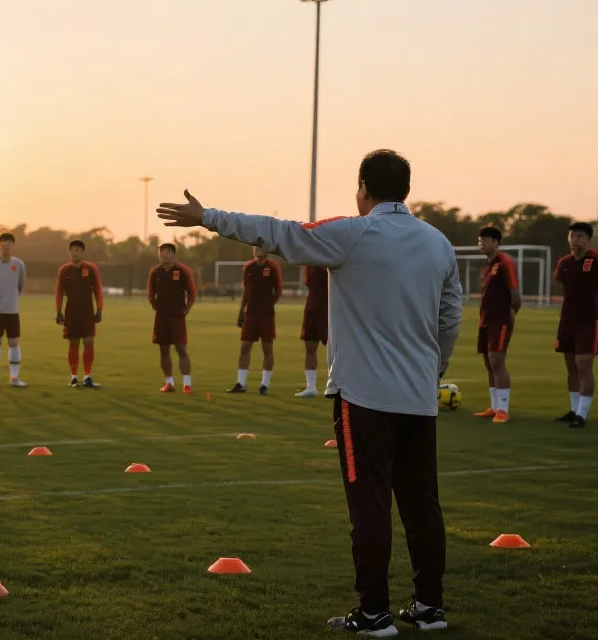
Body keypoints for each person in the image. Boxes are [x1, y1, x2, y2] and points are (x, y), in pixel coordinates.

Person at [158, 149, 462, 635]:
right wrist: (433, 368)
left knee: (369, 506)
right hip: (418, 398)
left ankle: (374, 613)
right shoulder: (438, 243)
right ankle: (430, 606)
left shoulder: (355, 232)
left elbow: (279, 232)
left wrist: (208, 218)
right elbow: (451, 316)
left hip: (363, 398)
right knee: (422, 504)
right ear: (405, 190)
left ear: (363, 188)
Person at [553, 222, 598, 429]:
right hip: (567, 320)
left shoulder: (595, 260)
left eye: (580, 236)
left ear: (588, 240)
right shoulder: (564, 263)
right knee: (570, 365)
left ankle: (582, 413)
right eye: (572, 236)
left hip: (590, 320)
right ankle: (574, 408)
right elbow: (565, 291)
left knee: (583, 364)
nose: (576, 240)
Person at [473, 226, 520, 423]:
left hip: (499, 320)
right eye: (480, 240)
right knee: (488, 363)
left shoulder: (504, 262)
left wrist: (511, 314)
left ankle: (503, 409)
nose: (481, 243)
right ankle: (494, 407)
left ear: (495, 242)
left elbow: (515, 294)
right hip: (486, 319)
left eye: (485, 240)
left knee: (497, 361)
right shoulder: (487, 266)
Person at [228, 246, 281, 394]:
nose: (257, 250)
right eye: (255, 248)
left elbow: (278, 290)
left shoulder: (272, 267)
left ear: (267, 251)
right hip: (250, 314)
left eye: (260, 248)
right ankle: (241, 383)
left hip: (266, 315)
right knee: (245, 347)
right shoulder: (248, 267)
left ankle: (264, 384)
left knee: (267, 348)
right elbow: (246, 290)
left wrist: (269, 304)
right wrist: (241, 310)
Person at [147, 243, 196, 393]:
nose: (164, 255)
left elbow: (192, 294)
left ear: (173, 254)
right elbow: (150, 294)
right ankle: (169, 383)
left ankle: (187, 384)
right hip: (161, 316)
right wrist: (157, 308)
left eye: (167, 252)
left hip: (177, 316)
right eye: (162, 252)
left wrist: (186, 310)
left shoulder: (182, 270)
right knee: (163, 350)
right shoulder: (155, 272)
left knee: (181, 348)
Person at [55, 240, 104, 388]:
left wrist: (99, 309)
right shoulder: (64, 270)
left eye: (78, 250)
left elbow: (98, 290)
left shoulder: (90, 269)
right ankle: (74, 377)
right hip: (71, 311)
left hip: (87, 311)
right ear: (69, 252)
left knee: (89, 341)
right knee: (74, 343)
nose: (75, 253)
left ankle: (88, 376)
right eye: (73, 250)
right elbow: (59, 292)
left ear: (82, 252)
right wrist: (58, 311)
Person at [0, 232, 28, 388]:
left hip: (12, 310)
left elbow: (20, 285)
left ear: (13, 245)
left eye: (9, 243)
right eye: (4, 242)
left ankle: (14, 377)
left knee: (14, 342)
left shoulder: (19, 264)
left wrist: (11, 298)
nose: (6, 245)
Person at [297, 265, 329, 397]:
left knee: (334, 349)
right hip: (311, 308)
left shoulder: (328, 260)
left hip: (328, 309)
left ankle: (337, 385)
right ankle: (311, 387)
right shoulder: (308, 264)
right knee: (310, 347)